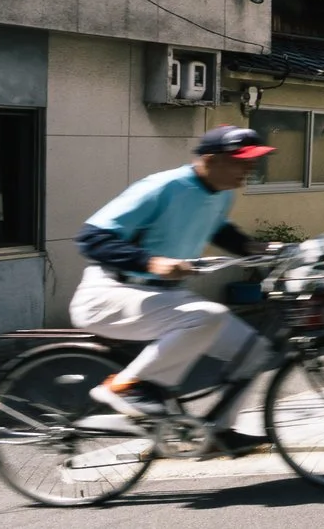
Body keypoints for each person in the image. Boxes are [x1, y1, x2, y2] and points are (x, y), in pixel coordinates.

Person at [72, 125, 277, 439]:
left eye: (252, 160)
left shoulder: (221, 195)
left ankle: (217, 433)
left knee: (254, 349)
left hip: (164, 297)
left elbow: (218, 229)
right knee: (208, 315)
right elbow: (92, 238)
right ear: (209, 159)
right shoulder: (162, 186)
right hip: (110, 293)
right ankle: (126, 387)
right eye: (240, 160)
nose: (249, 167)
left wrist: (253, 248)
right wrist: (151, 262)